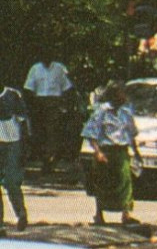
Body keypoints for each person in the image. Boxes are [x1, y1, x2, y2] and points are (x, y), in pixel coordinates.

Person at [81, 81, 143, 226]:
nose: (124, 97)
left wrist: (136, 152)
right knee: (102, 183)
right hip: (106, 151)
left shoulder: (126, 112)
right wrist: (97, 152)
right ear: (114, 95)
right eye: (122, 93)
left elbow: (131, 134)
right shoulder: (101, 111)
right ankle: (99, 215)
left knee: (125, 182)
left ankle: (126, 215)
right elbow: (91, 133)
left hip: (121, 151)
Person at [23, 51, 72, 170]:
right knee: (39, 130)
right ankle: (40, 155)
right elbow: (28, 88)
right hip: (39, 101)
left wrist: (63, 104)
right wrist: (32, 104)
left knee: (52, 131)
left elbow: (67, 87)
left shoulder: (59, 68)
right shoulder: (35, 68)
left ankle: (50, 158)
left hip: (54, 102)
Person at [0, 79, 29, 232]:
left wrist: (25, 149)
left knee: (11, 183)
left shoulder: (12, 95)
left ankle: (21, 213)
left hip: (12, 143)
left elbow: (23, 123)